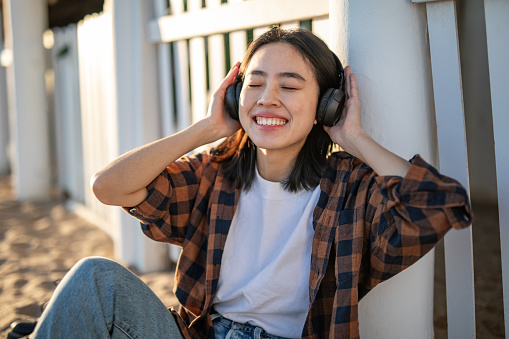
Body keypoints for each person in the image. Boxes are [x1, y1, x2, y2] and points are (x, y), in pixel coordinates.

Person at [31, 27, 472, 339]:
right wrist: (204, 129)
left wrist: (353, 137)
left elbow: (439, 205)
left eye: (291, 86)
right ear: (233, 96)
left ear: (328, 104)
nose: (267, 98)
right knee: (95, 279)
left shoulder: (350, 190)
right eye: (255, 83)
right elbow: (109, 187)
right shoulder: (215, 173)